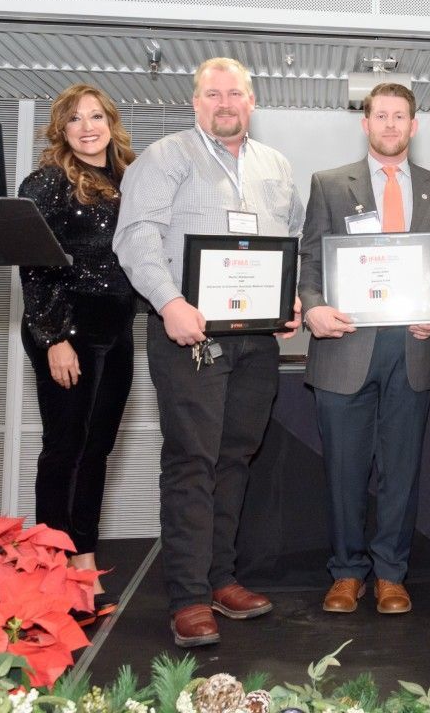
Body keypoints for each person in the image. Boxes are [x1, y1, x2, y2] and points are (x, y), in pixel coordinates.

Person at [113, 57, 304, 648]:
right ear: (195, 101)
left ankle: (221, 579)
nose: (225, 103)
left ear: (252, 102)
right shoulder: (164, 158)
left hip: (255, 341)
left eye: (236, 94)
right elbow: (136, 234)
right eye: (213, 94)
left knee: (235, 458)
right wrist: (170, 302)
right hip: (188, 334)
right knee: (192, 461)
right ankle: (189, 598)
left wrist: (288, 299)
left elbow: (288, 241)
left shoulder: (276, 166)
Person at [297, 82, 430, 616]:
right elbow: (311, 261)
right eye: (380, 116)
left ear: (414, 126)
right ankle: (346, 573)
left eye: (400, 116)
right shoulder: (328, 184)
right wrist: (314, 306)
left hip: (413, 349)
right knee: (343, 470)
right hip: (344, 343)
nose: (390, 125)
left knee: (401, 469)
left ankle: (391, 573)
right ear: (365, 124)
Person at [18, 83, 138, 620]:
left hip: (119, 326)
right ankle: (51, 577)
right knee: (64, 449)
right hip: (69, 327)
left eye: (96, 117)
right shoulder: (46, 182)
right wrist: (54, 338)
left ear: (110, 123)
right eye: (75, 120)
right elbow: (34, 264)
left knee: (97, 450)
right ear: (61, 131)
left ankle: (83, 568)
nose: (87, 127)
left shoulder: (131, 181)